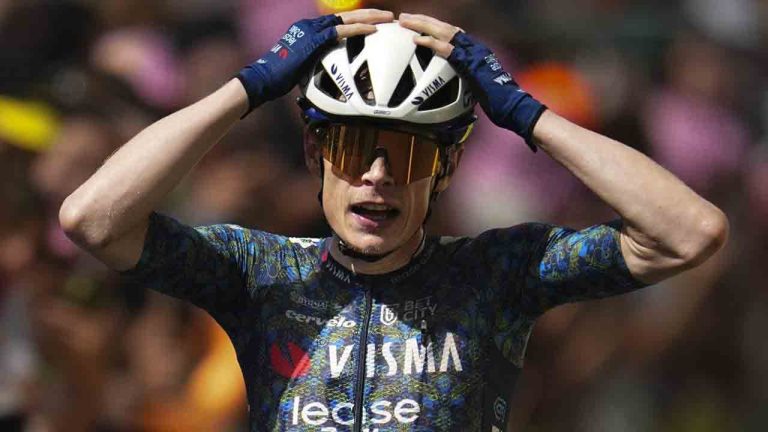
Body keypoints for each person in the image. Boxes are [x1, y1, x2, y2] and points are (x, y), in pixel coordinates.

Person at [59, 9, 728, 432]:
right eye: (351, 150)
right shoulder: (259, 273)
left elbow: (689, 231)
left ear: (446, 170)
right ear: (315, 155)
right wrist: (250, 88)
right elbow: (92, 217)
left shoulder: (497, 273)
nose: (376, 175)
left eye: (408, 154)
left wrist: (524, 113)